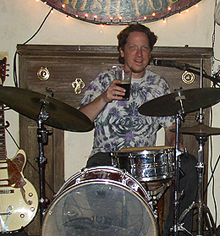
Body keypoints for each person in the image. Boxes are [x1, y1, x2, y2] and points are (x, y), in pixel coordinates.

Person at [79, 24, 197, 235]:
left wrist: (173, 142)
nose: (139, 54)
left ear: (150, 53)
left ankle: (176, 231)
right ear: (122, 51)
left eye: (144, 48)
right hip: (108, 157)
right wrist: (104, 97)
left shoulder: (158, 84)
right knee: (97, 167)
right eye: (133, 47)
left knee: (189, 165)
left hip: (144, 162)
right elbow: (81, 120)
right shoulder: (105, 79)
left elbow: (170, 126)